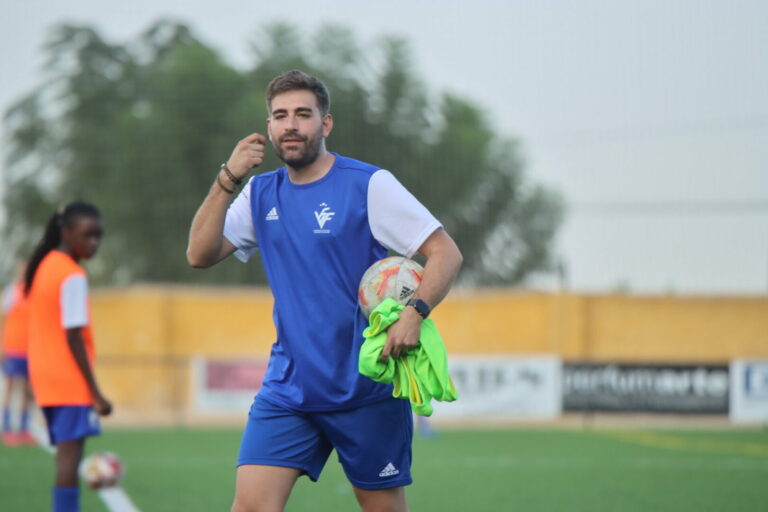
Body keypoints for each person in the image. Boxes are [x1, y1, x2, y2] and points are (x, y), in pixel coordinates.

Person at [187, 69, 463, 512]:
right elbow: (199, 254)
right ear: (270, 126)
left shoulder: (368, 185)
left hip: (366, 387)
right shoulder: (260, 193)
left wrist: (414, 314)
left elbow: (445, 253)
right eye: (279, 116)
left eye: (302, 114)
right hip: (289, 388)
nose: (290, 125)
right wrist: (227, 178)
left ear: (325, 124)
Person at [25, 201, 113, 512]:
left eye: (98, 236)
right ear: (66, 232)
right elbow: (73, 334)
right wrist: (95, 393)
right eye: (87, 235)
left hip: (45, 376)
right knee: (69, 458)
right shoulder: (72, 274)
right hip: (69, 379)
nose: (94, 243)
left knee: (66, 455)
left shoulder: (46, 264)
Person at [1, 261, 36, 446]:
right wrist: (2, 346)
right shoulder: (12, 291)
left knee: (26, 390)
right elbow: (4, 319)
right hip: (13, 347)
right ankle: (6, 428)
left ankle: (23, 429)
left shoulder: (35, 292)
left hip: (30, 349)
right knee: (10, 387)